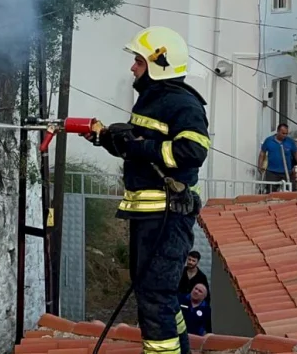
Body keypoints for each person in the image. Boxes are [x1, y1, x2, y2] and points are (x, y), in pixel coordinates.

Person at [91, 26, 209, 354]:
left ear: (160, 63)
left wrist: (140, 147)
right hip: (150, 216)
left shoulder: (182, 103)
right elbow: (139, 147)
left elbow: (192, 151)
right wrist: (107, 139)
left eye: (139, 61)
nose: (133, 68)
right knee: (157, 294)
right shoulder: (152, 100)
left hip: (167, 215)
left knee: (155, 296)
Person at [257, 123, 297, 187]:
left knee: (289, 191)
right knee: (271, 191)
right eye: (283, 133)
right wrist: (260, 165)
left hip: (287, 172)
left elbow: (296, 153)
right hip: (272, 172)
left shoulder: (290, 141)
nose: (285, 135)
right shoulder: (268, 140)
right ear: (278, 131)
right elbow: (262, 153)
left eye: (286, 133)